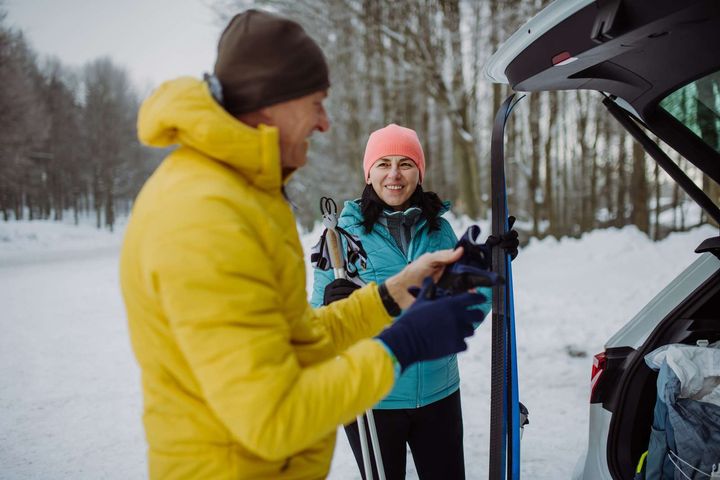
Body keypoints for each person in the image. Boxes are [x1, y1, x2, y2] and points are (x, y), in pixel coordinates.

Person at [119, 10, 486, 480]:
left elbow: (297, 338)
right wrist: (405, 342)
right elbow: (271, 416)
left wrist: (393, 293)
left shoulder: (241, 193)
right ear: (272, 100)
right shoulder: (205, 215)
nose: (324, 123)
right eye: (316, 102)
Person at [311, 124, 492, 479]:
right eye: (384, 163)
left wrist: (487, 266)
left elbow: (469, 301)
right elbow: (317, 328)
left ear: (419, 172)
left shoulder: (439, 230)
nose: (394, 174)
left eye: (405, 163)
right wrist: (331, 305)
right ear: (369, 172)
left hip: (439, 393)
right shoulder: (338, 237)